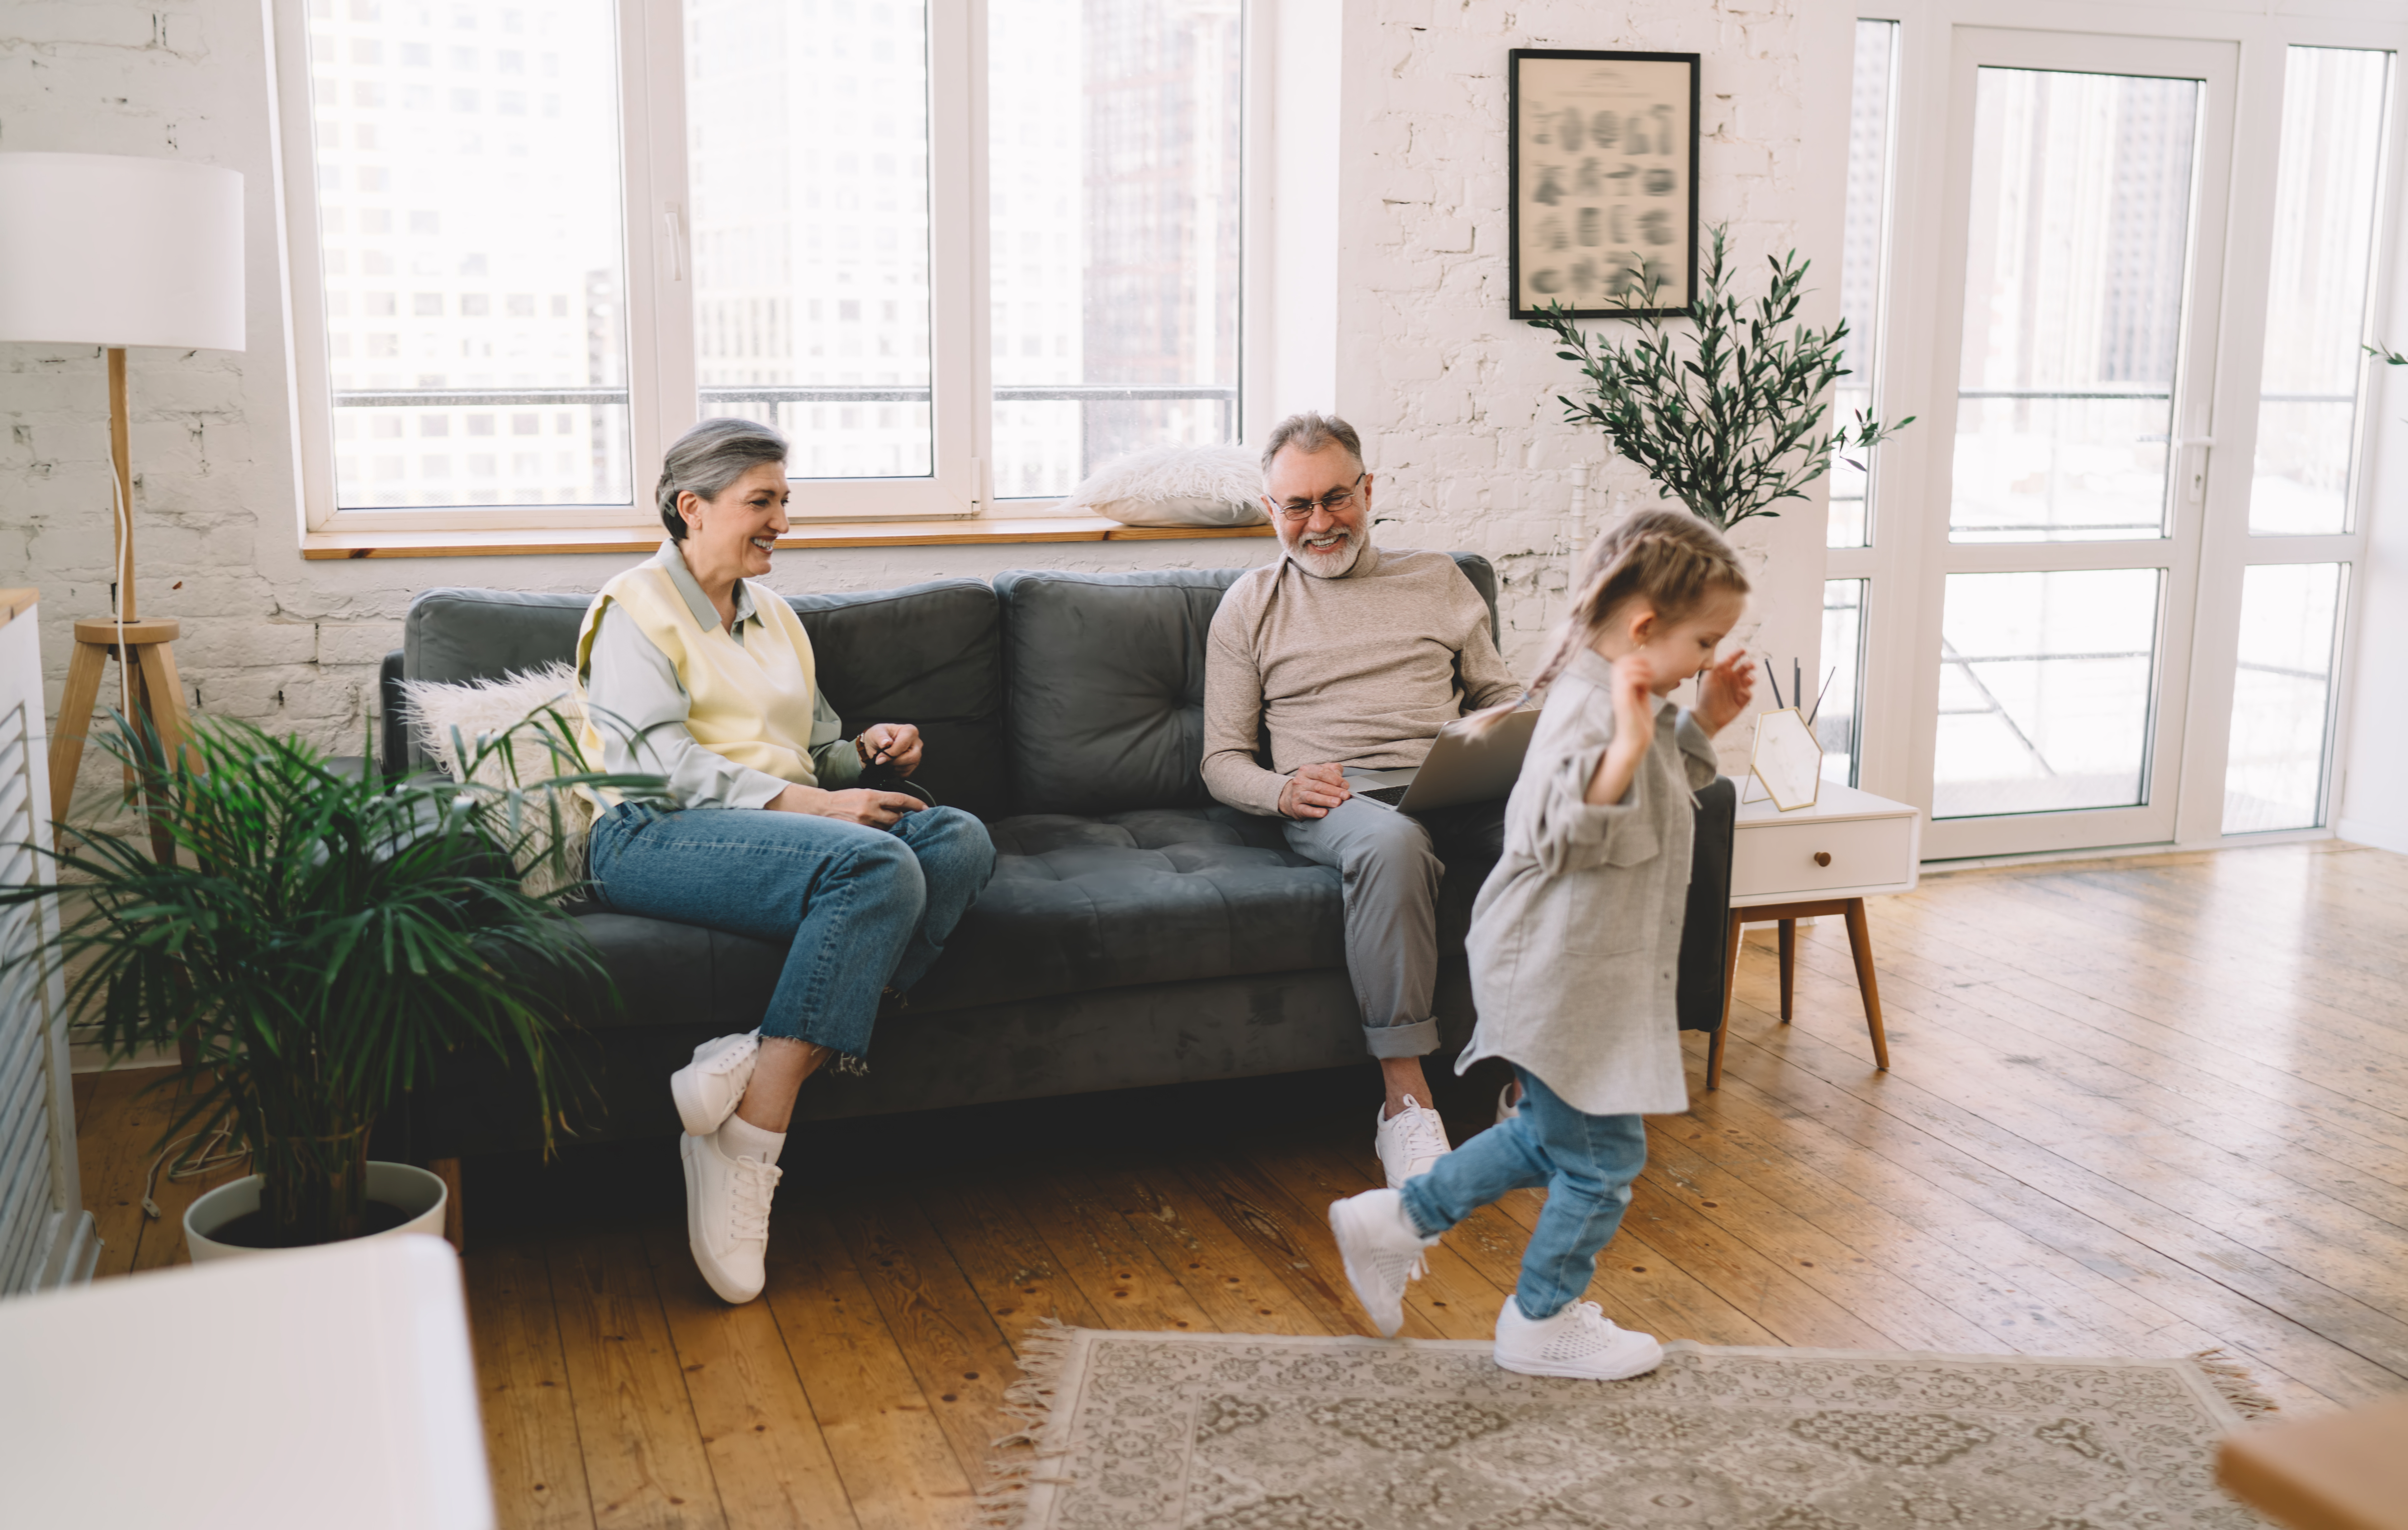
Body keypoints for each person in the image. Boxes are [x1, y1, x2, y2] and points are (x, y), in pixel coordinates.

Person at [1325, 508, 1756, 1380]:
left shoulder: (1629, 703)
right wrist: (1632, 742)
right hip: (1559, 975)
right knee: (1603, 1162)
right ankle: (1540, 1319)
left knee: (1542, 1141)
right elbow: (1559, 831)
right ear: (1643, 629)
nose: (1708, 657)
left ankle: (1393, 1220)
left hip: (1588, 972)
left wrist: (1697, 723)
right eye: (1703, 642)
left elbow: (1663, 787)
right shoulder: (1586, 714)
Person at [575, 417, 996, 1305]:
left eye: (783, 502)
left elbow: (814, 752)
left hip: (781, 829)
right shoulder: (633, 608)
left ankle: (761, 1060)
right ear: (693, 507)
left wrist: (873, 755)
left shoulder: (776, 618)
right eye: (761, 503)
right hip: (651, 834)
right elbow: (653, 767)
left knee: (956, 838)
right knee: (878, 869)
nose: (783, 523)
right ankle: (749, 1150)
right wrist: (821, 804)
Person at [1201, 411, 1522, 1188]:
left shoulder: (1439, 580)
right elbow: (1219, 761)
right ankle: (1405, 1107)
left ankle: (1533, 1082)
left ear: (1367, 490)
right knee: (1393, 843)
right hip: (1345, 802)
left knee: (1571, 823)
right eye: (1296, 506)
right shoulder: (1249, 604)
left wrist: (1524, 729)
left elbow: (1500, 694)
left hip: (1453, 780)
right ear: (1270, 512)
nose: (1318, 523)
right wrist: (1282, 790)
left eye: (1335, 499)